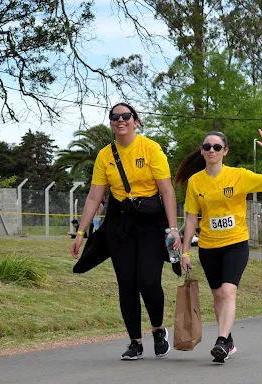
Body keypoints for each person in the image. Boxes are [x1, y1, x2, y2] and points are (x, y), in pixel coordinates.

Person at [70, 102, 180, 360]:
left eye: (126, 116)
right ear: (111, 122)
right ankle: (135, 342)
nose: (120, 120)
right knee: (126, 283)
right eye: (115, 117)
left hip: (149, 222)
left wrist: (173, 228)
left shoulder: (151, 149)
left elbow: (166, 190)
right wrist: (80, 232)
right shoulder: (105, 155)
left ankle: (158, 329)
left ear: (135, 121)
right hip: (119, 224)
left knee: (148, 281)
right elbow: (94, 196)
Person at [176, 128, 262, 363]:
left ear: (225, 151)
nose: (211, 150)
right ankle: (228, 339)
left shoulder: (238, 176)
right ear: (202, 151)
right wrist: (185, 252)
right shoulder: (195, 181)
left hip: (235, 243)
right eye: (207, 147)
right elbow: (191, 218)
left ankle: (221, 341)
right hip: (208, 246)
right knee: (217, 295)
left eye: (216, 147)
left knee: (227, 292)